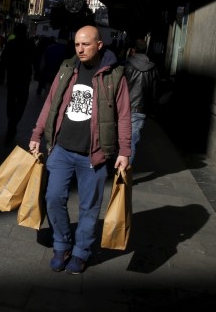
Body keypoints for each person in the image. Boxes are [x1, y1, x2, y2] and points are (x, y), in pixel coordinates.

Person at [28, 25, 131, 275]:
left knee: (89, 207)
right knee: (52, 198)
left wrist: (124, 151)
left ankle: (81, 251)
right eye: (77, 44)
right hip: (61, 149)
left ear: (99, 45)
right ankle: (62, 244)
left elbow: (124, 115)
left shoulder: (114, 76)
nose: (80, 49)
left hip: (93, 154)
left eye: (85, 44)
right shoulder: (67, 69)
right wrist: (36, 134)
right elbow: (51, 104)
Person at [123, 38, 159, 165]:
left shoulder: (127, 65)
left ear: (134, 49)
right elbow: (154, 93)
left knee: (119, 141)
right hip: (140, 110)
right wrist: (152, 110)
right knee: (131, 143)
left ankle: (115, 170)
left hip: (123, 108)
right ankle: (123, 174)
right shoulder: (152, 68)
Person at [0, 22, 36, 140]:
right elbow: (35, 59)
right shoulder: (30, 44)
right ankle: (13, 123)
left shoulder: (11, 44)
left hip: (12, 77)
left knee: (11, 101)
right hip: (24, 78)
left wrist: (1, 72)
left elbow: (4, 60)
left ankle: (11, 122)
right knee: (21, 102)